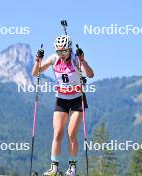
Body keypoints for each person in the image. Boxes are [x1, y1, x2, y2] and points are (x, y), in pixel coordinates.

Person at [32, 34, 94, 175]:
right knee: (58, 133)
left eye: (64, 51)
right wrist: (38, 61)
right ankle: (54, 168)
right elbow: (36, 73)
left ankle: (72, 168)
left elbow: (90, 74)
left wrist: (83, 61)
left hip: (77, 99)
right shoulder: (54, 59)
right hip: (61, 99)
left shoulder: (75, 58)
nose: (62, 54)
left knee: (71, 134)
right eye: (59, 51)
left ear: (69, 49)